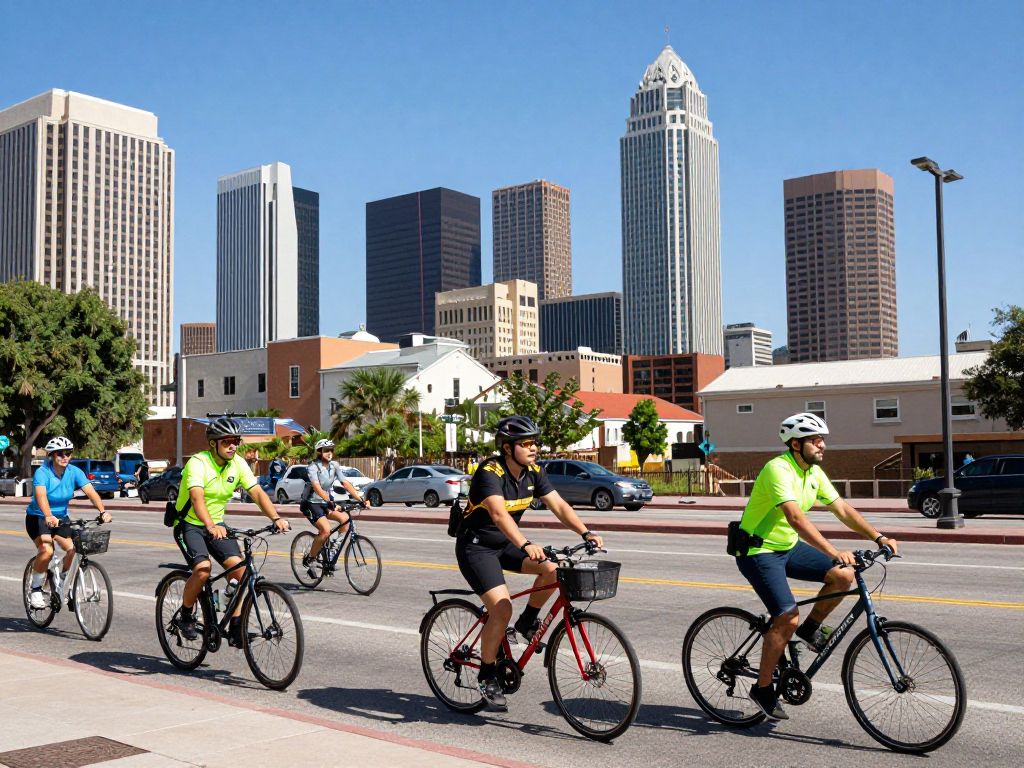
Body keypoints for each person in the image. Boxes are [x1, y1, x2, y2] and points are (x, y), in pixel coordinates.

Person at [734, 412, 899, 721]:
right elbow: (796, 518)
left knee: (843, 575)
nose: (822, 445)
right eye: (815, 440)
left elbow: (843, 510)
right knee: (787, 617)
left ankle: (810, 630)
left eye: (822, 439)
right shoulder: (777, 469)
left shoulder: (814, 473)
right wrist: (834, 551)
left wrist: (878, 537)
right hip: (758, 551)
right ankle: (763, 687)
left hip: (787, 547)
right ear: (796, 444)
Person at [455, 415, 603, 712]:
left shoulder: (534, 472)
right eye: (526, 443)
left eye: (535, 442)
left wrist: (585, 532)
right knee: (501, 608)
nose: (534, 448)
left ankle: (527, 623)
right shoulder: (490, 472)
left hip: (506, 544)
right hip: (477, 548)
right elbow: (499, 515)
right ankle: (487, 675)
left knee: (553, 569)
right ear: (508, 448)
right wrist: (525, 544)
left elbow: (559, 505)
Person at [170, 417, 289, 645]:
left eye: (236, 441)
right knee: (203, 569)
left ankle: (235, 627)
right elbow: (196, 498)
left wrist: (275, 517)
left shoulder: (238, 464)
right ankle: (185, 615)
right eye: (227, 442)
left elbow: (257, 492)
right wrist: (210, 525)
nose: (233, 446)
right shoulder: (198, 462)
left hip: (217, 525)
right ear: (213, 443)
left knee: (241, 573)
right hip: (190, 524)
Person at [25, 437, 112, 610]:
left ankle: (62, 584)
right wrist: (48, 515)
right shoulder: (43, 472)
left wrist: (102, 511)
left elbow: (91, 492)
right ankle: (35, 589)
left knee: (73, 549)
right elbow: (41, 496)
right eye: (60, 454)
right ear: (51, 455)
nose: (65, 457)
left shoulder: (74, 471)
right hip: (38, 517)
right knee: (47, 551)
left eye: (68, 453)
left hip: (61, 518)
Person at [299, 439, 370, 576]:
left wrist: (360, 499)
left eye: (331, 450)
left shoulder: (334, 465)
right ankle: (310, 559)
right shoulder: (313, 467)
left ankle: (331, 552)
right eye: (326, 450)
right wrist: (330, 501)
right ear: (320, 452)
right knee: (325, 531)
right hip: (311, 503)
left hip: (326, 502)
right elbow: (317, 487)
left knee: (345, 520)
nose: (329, 453)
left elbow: (345, 483)